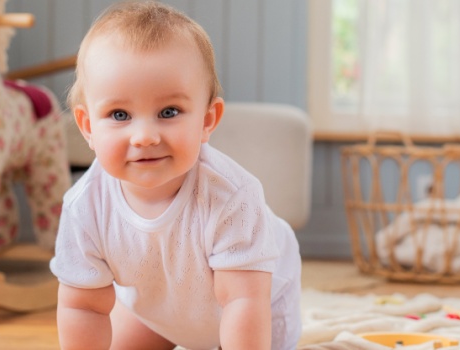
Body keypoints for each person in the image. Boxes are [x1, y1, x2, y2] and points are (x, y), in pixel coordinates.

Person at [50, 2, 302, 349]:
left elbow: (241, 300)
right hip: (158, 308)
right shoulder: (84, 206)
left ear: (207, 120)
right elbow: (83, 306)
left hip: (258, 302)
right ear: (88, 127)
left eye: (168, 112)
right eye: (120, 114)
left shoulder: (231, 196)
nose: (145, 136)